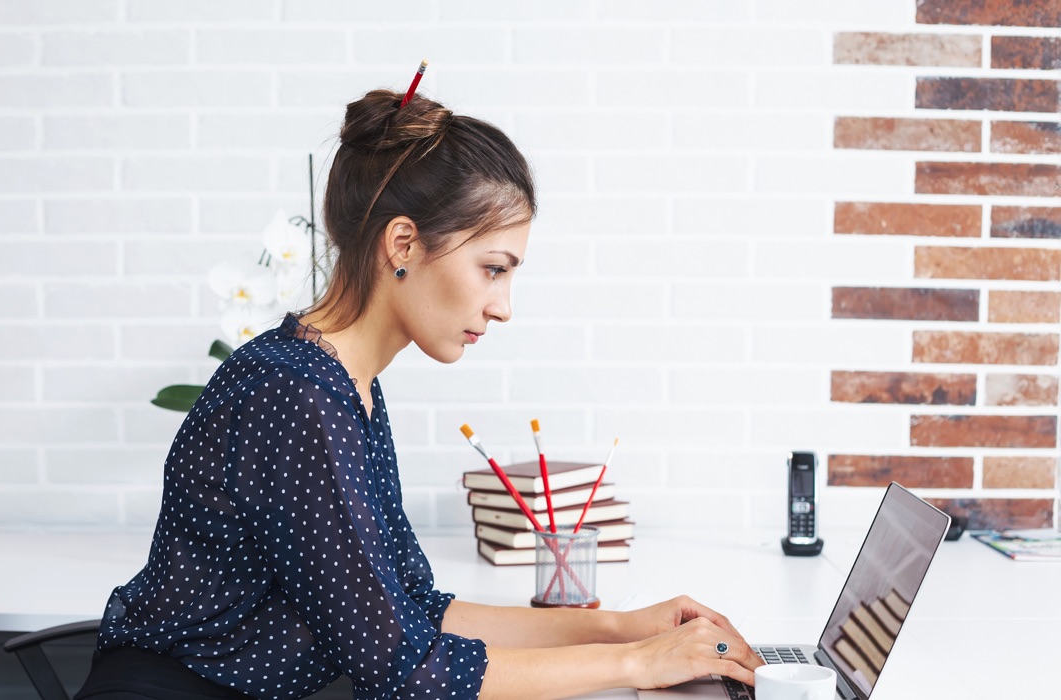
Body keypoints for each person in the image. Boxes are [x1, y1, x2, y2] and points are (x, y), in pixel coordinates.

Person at [74, 83, 763, 700]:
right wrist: (639, 664)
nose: (503, 307)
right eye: (493, 269)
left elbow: (413, 610)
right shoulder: (293, 395)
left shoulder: (348, 388)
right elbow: (407, 670)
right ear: (403, 244)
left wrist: (618, 628)